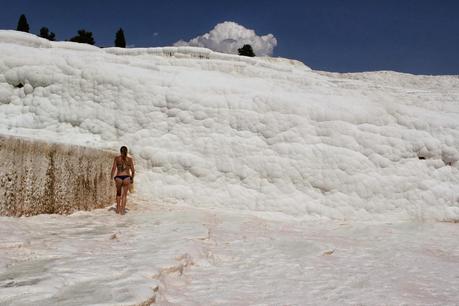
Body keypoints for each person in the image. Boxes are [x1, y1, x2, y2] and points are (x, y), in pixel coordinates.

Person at [111, 146, 135, 215]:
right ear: (126, 151)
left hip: (118, 177)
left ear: (120, 151)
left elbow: (113, 169)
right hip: (127, 177)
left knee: (118, 194)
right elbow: (133, 171)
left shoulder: (117, 158)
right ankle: (122, 210)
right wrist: (132, 178)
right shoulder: (129, 159)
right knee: (124, 195)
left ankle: (118, 209)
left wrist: (111, 177)